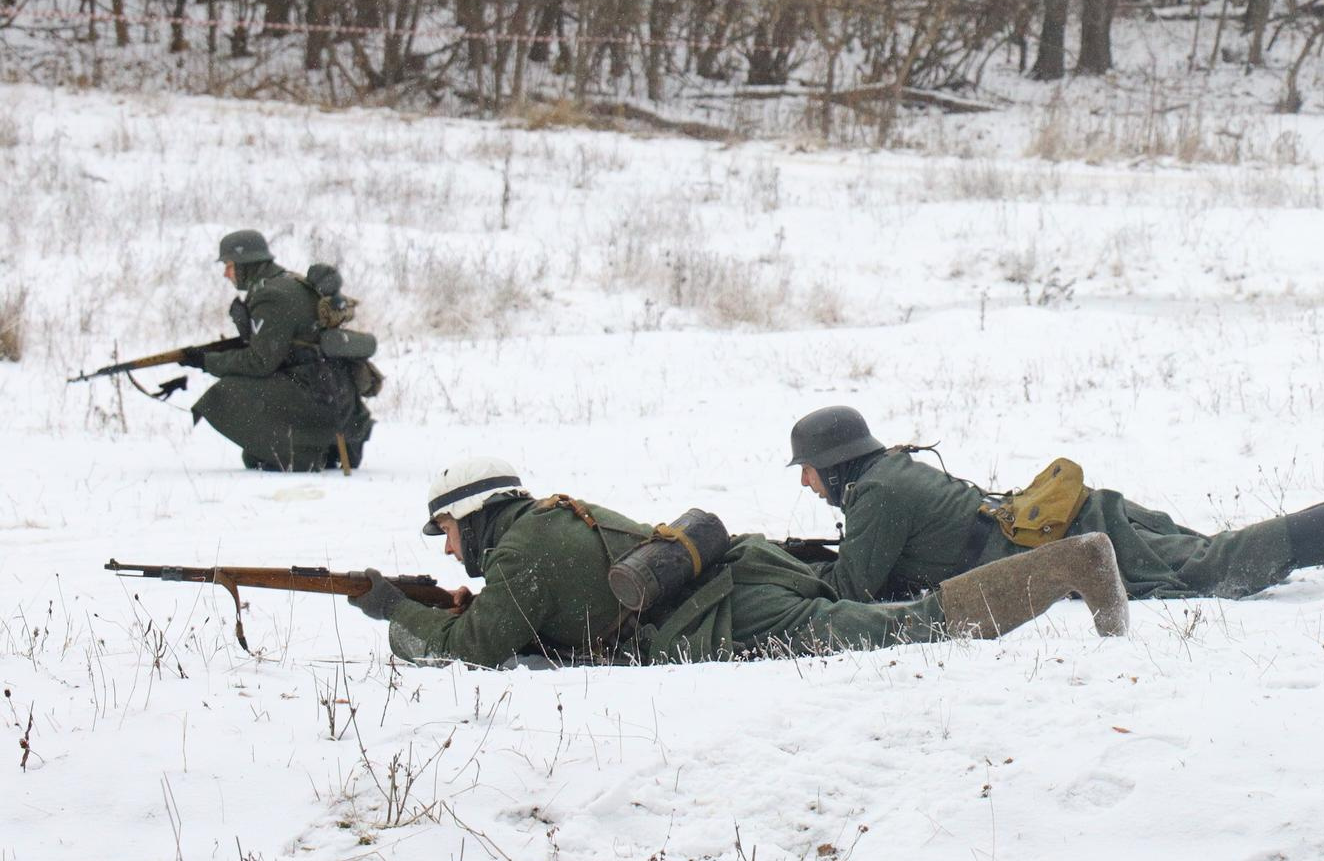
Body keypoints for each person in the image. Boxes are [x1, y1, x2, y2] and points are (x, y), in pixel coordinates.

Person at [347, 458, 1130, 666]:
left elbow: (478, 650)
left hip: (729, 614)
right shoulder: (552, 515)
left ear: (476, 515)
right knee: (896, 618)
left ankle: (1068, 566)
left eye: (449, 529)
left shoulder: (518, 554)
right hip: (744, 568)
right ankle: (1067, 567)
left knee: (913, 626)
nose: (450, 546)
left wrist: (395, 609)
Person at [785, 405, 1324, 604]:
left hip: (1071, 542)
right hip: (1077, 516)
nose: (809, 485)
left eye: (810, 472)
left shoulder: (875, 496)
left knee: (1210, 569)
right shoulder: (891, 471)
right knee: (1211, 553)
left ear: (835, 464)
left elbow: (852, 589)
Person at [187, 229, 374, 471]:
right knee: (253, 455)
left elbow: (260, 362)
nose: (226, 273)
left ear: (246, 263)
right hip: (332, 391)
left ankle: (303, 453)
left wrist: (207, 362)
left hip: (316, 391)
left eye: (229, 265)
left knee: (226, 392)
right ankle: (309, 447)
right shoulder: (287, 281)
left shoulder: (271, 296)